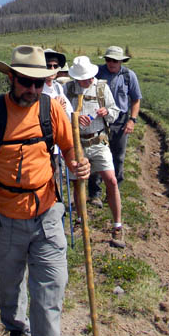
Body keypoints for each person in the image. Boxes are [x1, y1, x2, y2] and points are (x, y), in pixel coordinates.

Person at [0, 45, 90, 336]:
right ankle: (17, 332)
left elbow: (70, 149)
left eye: (38, 83)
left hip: (47, 214)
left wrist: (80, 164)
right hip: (3, 216)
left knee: (51, 288)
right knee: (10, 281)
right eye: (25, 81)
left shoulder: (51, 110)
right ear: (11, 78)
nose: (32, 89)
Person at [64, 56, 125, 248]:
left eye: (89, 77)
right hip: (76, 143)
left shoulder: (101, 87)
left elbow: (114, 110)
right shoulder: (68, 89)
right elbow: (61, 115)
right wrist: (75, 119)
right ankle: (81, 221)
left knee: (112, 180)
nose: (87, 81)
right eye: (83, 79)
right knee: (77, 183)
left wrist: (107, 112)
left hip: (98, 141)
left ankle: (117, 225)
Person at [88, 45, 142, 207]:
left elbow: (136, 99)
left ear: (121, 61)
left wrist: (132, 120)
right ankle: (94, 193)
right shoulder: (96, 73)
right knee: (96, 157)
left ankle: (113, 192)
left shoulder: (129, 76)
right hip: (99, 121)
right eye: (109, 60)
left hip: (120, 122)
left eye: (115, 61)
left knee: (118, 157)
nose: (111, 63)